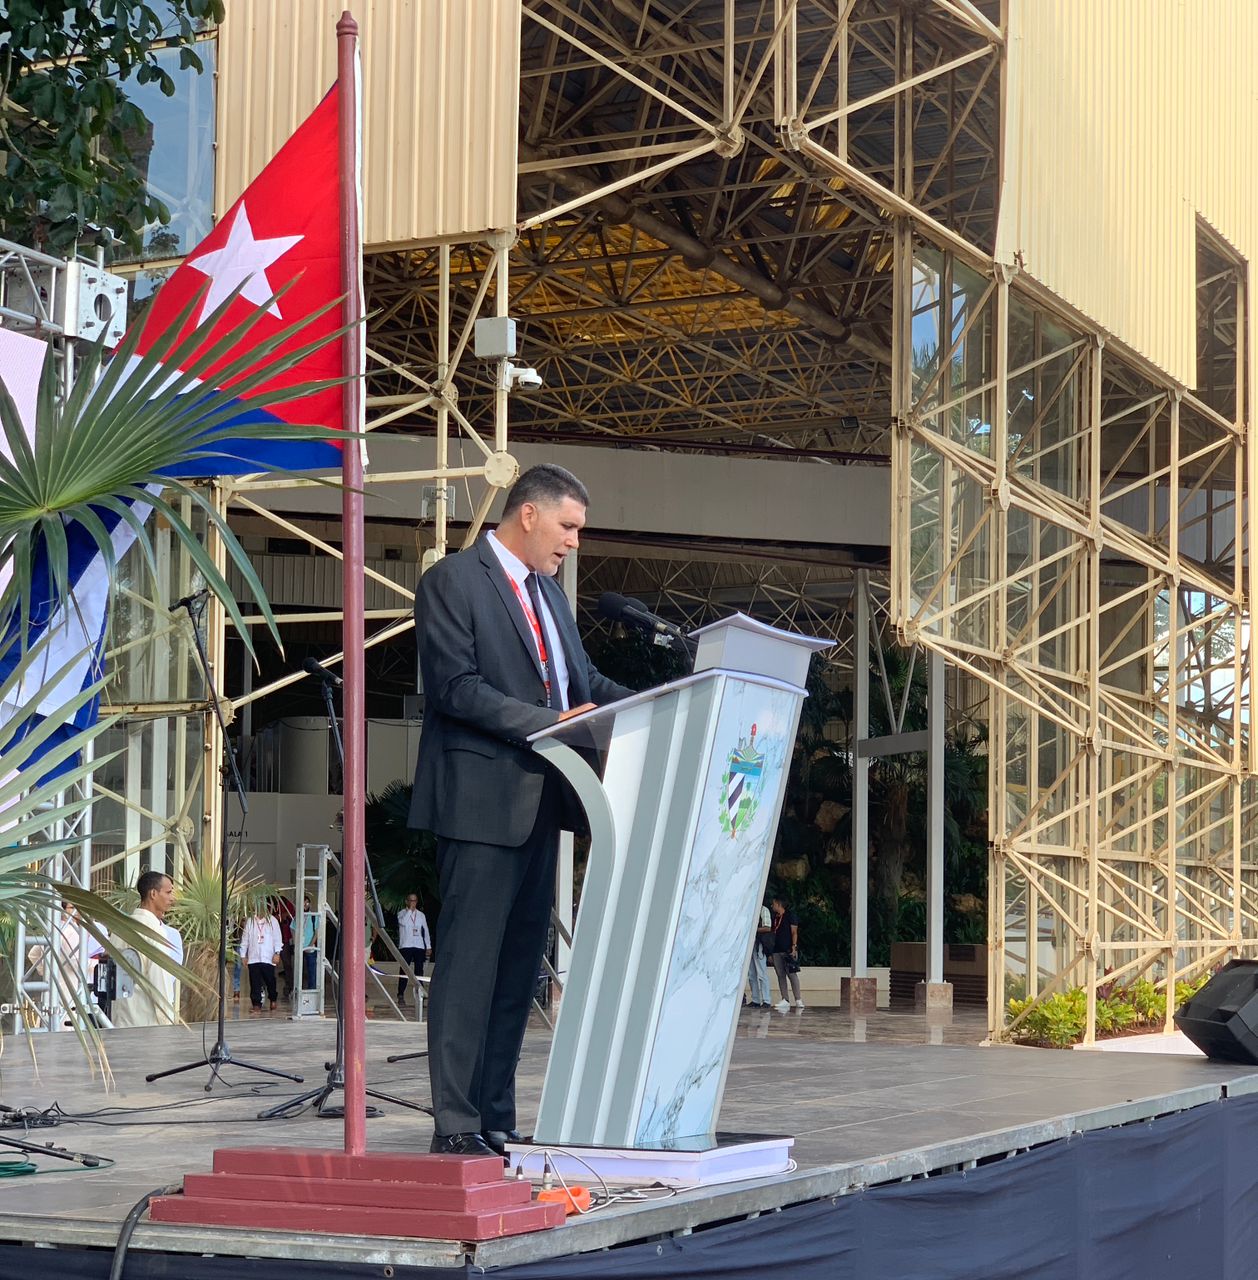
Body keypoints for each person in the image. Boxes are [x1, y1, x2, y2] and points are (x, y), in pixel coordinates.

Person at [409, 463, 634, 1158]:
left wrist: (653, 706)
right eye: (568, 526)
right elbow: (455, 687)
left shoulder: (552, 597)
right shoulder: (453, 581)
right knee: (469, 970)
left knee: (515, 975)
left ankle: (496, 1118)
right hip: (481, 806)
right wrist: (547, 722)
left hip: (545, 805)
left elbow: (582, 682)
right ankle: (455, 1122)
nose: (574, 542)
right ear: (528, 514)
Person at [113, 870, 180, 1028]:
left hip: (119, 1023)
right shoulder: (154, 932)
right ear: (153, 894)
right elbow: (160, 984)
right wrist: (167, 1023)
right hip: (148, 1027)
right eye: (168, 892)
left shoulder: (120, 929)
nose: (172, 898)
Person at [240, 905, 283, 1014]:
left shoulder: (273, 921)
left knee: (270, 981)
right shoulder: (250, 921)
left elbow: (278, 938)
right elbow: (245, 939)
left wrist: (277, 953)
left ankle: (273, 999)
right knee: (255, 982)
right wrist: (243, 955)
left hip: (268, 957)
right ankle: (256, 1005)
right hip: (253, 957)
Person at [768, 895, 803, 1011]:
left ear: (779, 904)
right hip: (776, 950)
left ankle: (798, 999)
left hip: (787, 949)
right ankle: (785, 999)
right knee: (780, 975)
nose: (772, 906)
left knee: (792, 974)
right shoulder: (775, 917)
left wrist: (794, 946)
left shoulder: (790, 916)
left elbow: (794, 932)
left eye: (774, 904)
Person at [396, 893, 432, 1005]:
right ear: (407, 901)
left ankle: (420, 992)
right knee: (404, 970)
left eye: (415, 901)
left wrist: (428, 946)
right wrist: (409, 911)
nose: (413, 903)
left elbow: (425, 930)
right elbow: (403, 923)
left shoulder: (421, 915)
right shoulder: (402, 913)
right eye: (411, 900)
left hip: (419, 945)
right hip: (406, 945)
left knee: (419, 970)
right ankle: (400, 993)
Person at [746, 903, 773, 1008]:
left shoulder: (763, 909)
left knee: (761, 973)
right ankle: (755, 999)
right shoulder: (749, 908)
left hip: (759, 944)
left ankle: (766, 1000)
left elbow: (768, 927)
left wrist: (753, 929)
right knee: (751, 973)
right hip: (750, 944)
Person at [299, 894, 320, 994]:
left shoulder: (313, 916)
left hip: (310, 948)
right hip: (300, 947)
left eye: (307, 903)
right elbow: (293, 928)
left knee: (311, 971)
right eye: (303, 903)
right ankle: (300, 991)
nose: (305, 905)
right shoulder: (298, 916)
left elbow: (316, 933)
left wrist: (310, 945)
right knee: (299, 971)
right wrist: (296, 943)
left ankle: (311, 991)